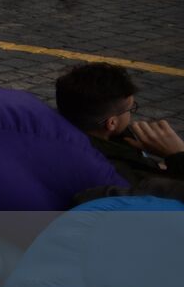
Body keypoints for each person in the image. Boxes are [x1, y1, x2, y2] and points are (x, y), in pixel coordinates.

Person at [55, 62, 184, 201]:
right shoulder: (117, 173)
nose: (131, 114)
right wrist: (177, 155)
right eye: (130, 108)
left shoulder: (62, 135)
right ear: (112, 123)